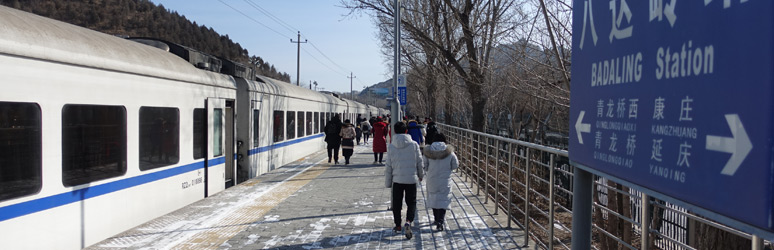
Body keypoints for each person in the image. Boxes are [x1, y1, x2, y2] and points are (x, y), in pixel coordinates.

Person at [384, 121, 424, 240]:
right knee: (411, 202)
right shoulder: (414, 145)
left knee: (397, 203)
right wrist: (420, 175)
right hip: (411, 179)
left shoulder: (391, 146)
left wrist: (388, 182)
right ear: (406, 131)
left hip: (397, 180)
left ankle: (397, 225)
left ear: (395, 131)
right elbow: (419, 162)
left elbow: (388, 166)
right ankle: (408, 221)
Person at [423, 133, 458, 231]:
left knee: (434, 198)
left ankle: (435, 219)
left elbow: (424, 166)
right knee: (443, 199)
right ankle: (440, 221)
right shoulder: (449, 152)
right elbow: (455, 165)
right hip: (445, 180)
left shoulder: (428, 152)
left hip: (432, 179)